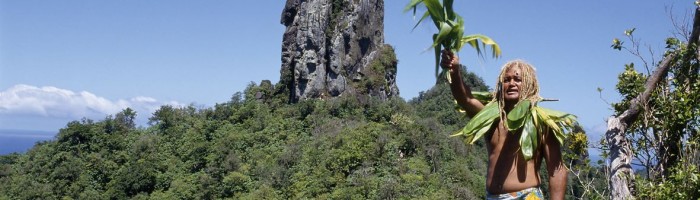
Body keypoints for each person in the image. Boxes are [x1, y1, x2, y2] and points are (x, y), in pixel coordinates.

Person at [441, 50, 567, 200]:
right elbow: (465, 99)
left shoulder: (540, 122)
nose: (511, 83)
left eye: (518, 79)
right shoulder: (491, 118)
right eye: (506, 80)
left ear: (529, 83)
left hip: (526, 196)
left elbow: (557, 170)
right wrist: (454, 72)